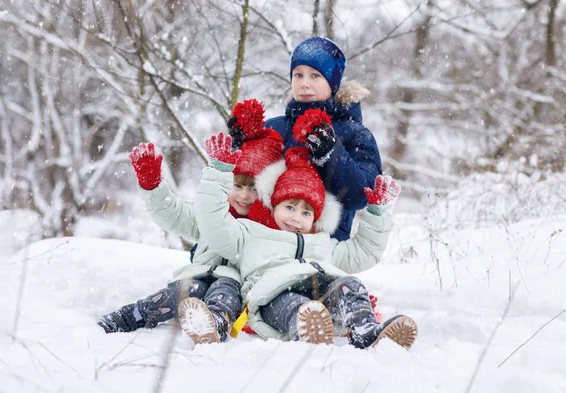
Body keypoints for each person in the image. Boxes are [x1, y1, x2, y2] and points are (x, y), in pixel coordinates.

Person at [188, 128, 418, 350]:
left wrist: (378, 214)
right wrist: (217, 173)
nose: (297, 218)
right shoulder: (250, 233)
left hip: (321, 293)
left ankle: (366, 330)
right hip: (274, 296)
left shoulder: (322, 243)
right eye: (290, 207)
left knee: (351, 286)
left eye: (306, 212)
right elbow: (214, 223)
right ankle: (306, 329)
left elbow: (365, 252)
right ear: (273, 204)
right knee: (296, 306)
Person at [98, 103, 284, 345]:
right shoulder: (211, 216)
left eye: (254, 189)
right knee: (180, 292)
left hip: (236, 289)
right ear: (227, 183)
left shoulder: (266, 231)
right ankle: (129, 316)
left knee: (225, 290)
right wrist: (152, 185)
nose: (244, 196)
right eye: (238, 186)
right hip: (198, 275)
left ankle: (215, 323)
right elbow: (174, 214)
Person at [228, 36, 382, 241]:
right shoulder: (274, 127)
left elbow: (362, 196)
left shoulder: (356, 134)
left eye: (315, 76)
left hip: (322, 251)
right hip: (260, 243)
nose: (305, 84)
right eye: (298, 75)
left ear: (333, 83)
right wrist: (240, 147)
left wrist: (331, 154)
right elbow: (243, 185)